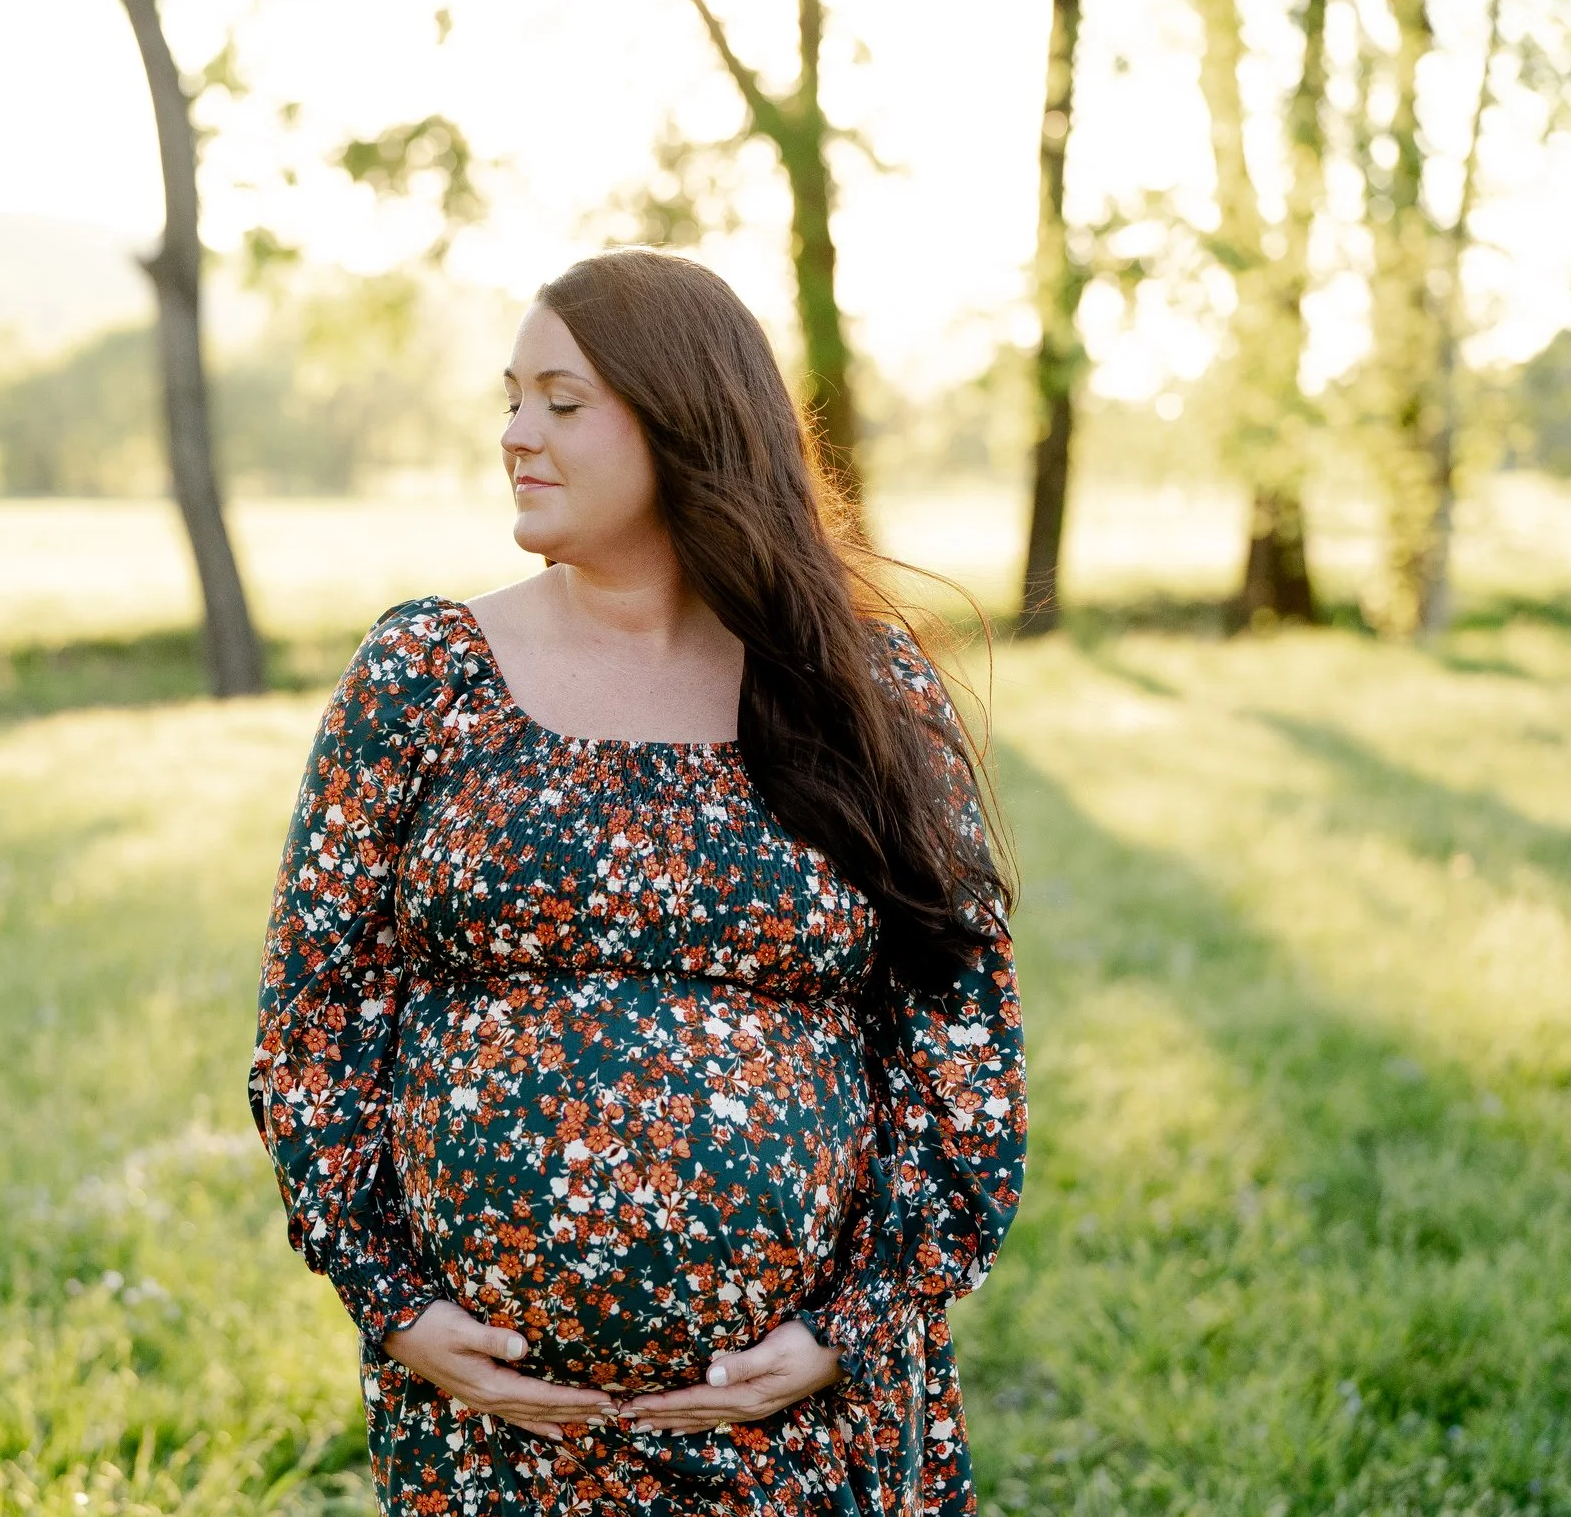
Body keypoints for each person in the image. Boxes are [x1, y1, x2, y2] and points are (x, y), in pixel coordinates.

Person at [248, 248, 1026, 1514]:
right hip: (497, 1428)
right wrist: (392, 1300)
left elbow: (961, 1042)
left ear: (685, 421)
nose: (516, 434)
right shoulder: (424, 676)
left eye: (562, 401)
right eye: (511, 399)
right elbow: (316, 1015)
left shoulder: (858, 692)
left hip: (798, 1424)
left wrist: (851, 1322)